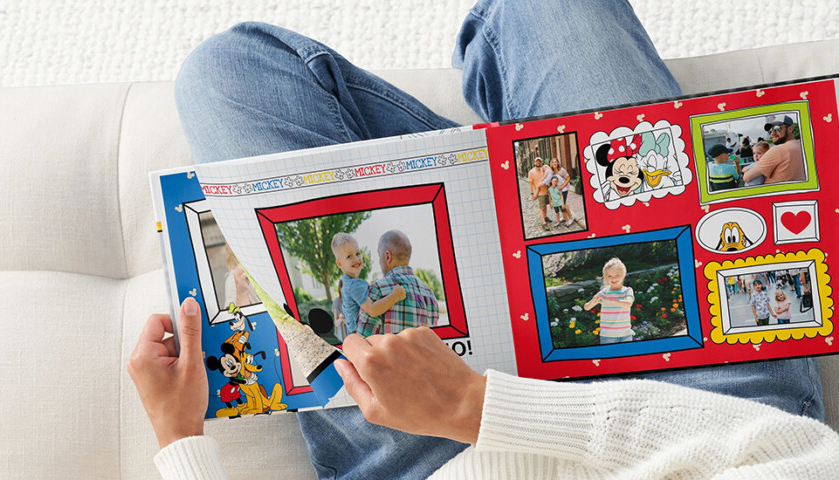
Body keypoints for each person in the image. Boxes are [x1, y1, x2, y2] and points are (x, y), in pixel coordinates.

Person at [140, 1, 831, 478]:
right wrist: (478, 404)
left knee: (227, 72)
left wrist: (178, 438)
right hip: (708, 410)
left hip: (426, 453)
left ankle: (478, 165)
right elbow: (801, 457)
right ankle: (491, 139)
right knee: (551, 13)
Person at [355, 230, 439, 336]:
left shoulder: (378, 290)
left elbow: (363, 342)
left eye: (379, 255)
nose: (379, 261)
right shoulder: (430, 296)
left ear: (387, 257)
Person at [332, 232, 407, 337]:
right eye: (349, 256)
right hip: (362, 336)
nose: (356, 259)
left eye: (358, 253)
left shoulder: (348, 283)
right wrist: (394, 296)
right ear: (339, 264)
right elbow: (372, 310)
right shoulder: (354, 285)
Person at [583, 258, 635, 344]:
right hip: (607, 336)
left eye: (617, 275)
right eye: (609, 276)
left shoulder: (627, 291)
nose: (613, 278)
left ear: (623, 275)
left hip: (625, 334)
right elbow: (586, 307)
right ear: (605, 277)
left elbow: (628, 303)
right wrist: (593, 300)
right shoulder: (604, 292)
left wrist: (608, 300)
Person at [743, 115, 807, 184]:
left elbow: (746, 178)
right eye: (771, 131)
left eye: (777, 129)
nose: (772, 134)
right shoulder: (800, 146)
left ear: (790, 129)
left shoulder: (778, 150)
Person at [544, 157, 575, 226]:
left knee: (563, 203)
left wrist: (562, 186)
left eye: (555, 162)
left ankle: (571, 217)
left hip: (564, 189)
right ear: (551, 164)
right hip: (558, 190)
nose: (554, 163)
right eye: (553, 162)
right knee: (561, 204)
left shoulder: (561, 170)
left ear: (558, 163)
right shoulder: (552, 171)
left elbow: (568, 178)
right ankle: (565, 217)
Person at [526, 157, 552, 229]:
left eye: (539, 161)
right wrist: (532, 193)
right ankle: (543, 223)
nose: (538, 163)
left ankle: (546, 217)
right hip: (540, 193)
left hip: (546, 191)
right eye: (537, 161)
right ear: (534, 163)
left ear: (541, 162)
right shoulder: (531, 172)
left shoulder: (543, 170)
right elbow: (530, 184)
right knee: (541, 208)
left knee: (545, 206)